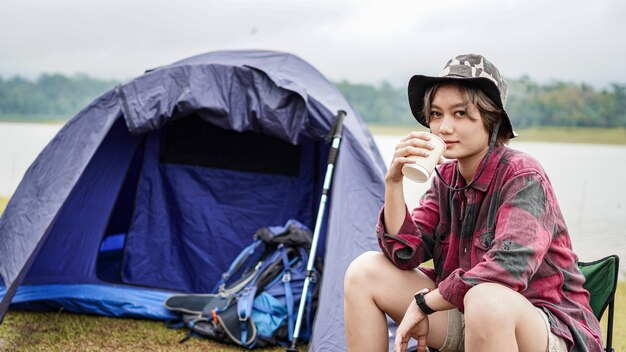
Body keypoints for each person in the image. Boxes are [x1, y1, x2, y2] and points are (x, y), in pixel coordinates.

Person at [343, 54, 603, 352]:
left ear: (491, 120)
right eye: (437, 114)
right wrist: (393, 183)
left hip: (544, 326)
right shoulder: (446, 177)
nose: (444, 128)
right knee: (364, 271)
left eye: (460, 114)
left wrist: (425, 303)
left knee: (486, 298)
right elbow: (405, 254)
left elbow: (506, 271)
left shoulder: (523, 175)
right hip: (469, 312)